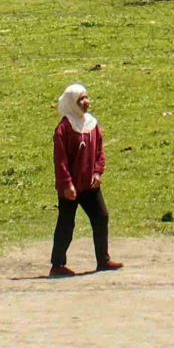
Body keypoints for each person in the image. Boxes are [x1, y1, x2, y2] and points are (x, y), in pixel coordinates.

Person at [49, 84, 121, 277]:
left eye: (86, 98)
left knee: (101, 216)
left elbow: (99, 152)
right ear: (72, 103)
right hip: (71, 187)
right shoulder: (63, 129)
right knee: (66, 223)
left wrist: (97, 173)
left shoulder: (92, 125)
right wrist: (67, 184)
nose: (85, 102)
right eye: (81, 99)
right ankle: (57, 264)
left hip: (89, 185)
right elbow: (60, 160)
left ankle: (103, 259)